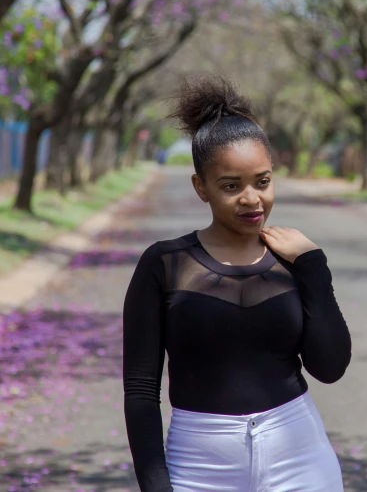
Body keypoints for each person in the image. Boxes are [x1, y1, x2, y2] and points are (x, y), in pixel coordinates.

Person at [122, 74, 352, 492]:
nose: (252, 199)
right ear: (201, 188)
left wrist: (315, 268)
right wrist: (156, 486)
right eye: (232, 186)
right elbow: (140, 391)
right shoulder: (165, 264)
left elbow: (330, 368)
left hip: (299, 456)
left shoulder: (293, 258)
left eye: (262, 181)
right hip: (198, 463)